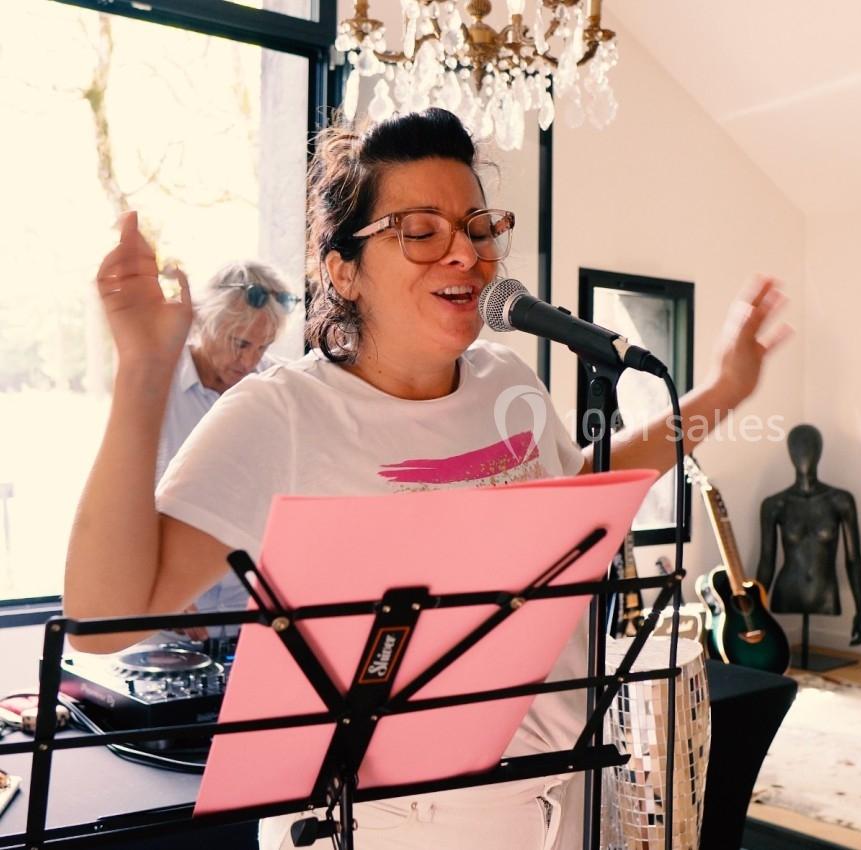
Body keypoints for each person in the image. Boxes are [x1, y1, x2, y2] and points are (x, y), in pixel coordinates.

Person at [65, 108, 789, 850]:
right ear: (343, 269)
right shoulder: (281, 413)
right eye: (420, 231)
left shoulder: (507, 379)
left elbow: (587, 494)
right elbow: (102, 618)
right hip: (383, 825)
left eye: (477, 228)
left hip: (562, 798)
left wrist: (725, 389)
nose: (466, 254)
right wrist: (144, 370)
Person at [156, 261, 298, 638]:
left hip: (252, 613)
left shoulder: (281, 391)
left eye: (263, 347)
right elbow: (129, 500)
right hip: (169, 609)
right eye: (240, 343)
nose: (250, 361)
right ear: (204, 322)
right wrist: (159, 588)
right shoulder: (156, 386)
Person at [757, 424, 861, 646]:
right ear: (790, 454)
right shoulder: (775, 504)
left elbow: (853, 559)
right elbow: (767, 561)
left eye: (810, 448)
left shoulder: (840, 501)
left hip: (825, 594)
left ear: (819, 452)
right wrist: (755, 613)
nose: (804, 455)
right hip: (787, 592)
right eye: (798, 449)